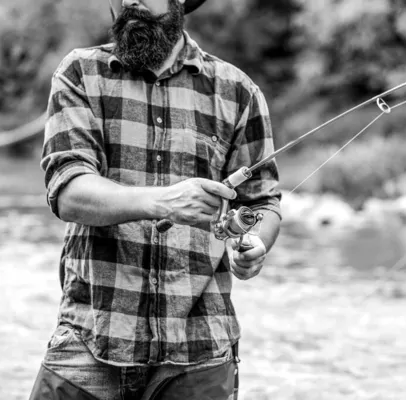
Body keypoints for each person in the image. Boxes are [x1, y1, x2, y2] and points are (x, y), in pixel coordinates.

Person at [29, 0, 282, 398]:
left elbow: (261, 204)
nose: (129, 0)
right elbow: (69, 191)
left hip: (200, 349)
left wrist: (255, 243)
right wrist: (164, 201)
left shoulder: (238, 91)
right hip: (90, 337)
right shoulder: (80, 73)